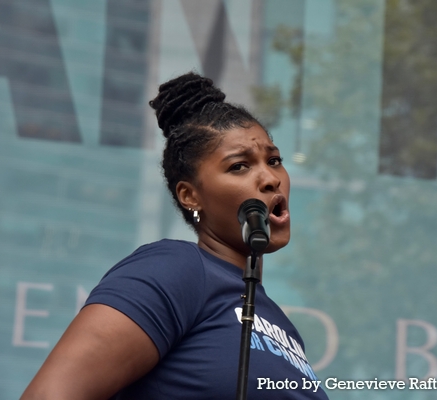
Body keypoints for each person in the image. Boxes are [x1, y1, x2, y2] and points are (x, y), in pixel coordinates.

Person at [21, 72, 329, 399]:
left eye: (274, 160)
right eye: (239, 166)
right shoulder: (177, 269)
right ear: (190, 196)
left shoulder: (284, 327)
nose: (270, 178)